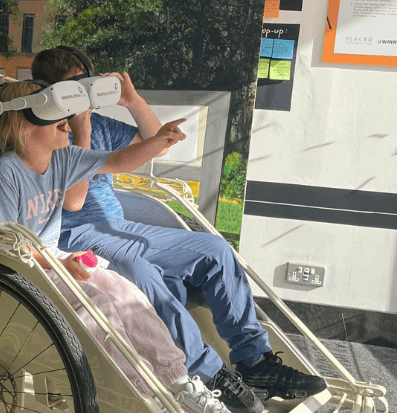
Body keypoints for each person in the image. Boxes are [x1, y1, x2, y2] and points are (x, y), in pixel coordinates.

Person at [31, 46, 327, 413]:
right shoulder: (48, 134)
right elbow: (73, 202)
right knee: (141, 271)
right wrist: (82, 128)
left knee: (215, 251)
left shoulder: (99, 124)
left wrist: (132, 100)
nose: (82, 95)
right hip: (73, 234)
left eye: (85, 84)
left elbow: (157, 143)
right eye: (72, 87)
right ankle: (210, 375)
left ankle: (255, 362)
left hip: (115, 224)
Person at [0, 79, 230, 413]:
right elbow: (2, 242)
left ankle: (177, 380)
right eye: (54, 114)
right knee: (99, 305)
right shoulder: (5, 174)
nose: (66, 121)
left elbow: (117, 161)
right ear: (21, 125)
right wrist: (54, 264)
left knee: (128, 296)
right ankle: (141, 392)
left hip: (57, 261)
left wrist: (157, 142)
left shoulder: (63, 158)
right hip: (27, 270)